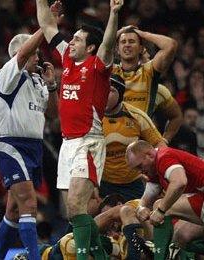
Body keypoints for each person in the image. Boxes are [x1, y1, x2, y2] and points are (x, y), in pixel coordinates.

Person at [36, 0, 122, 258]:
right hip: (67, 144)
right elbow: (46, 25)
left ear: (91, 47)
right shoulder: (67, 59)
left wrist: (114, 14)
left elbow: (108, 44)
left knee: (76, 205)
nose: (70, 42)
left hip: (89, 141)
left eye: (77, 40)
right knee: (73, 212)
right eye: (71, 39)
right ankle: (103, 255)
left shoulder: (97, 66)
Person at [0, 29, 58, 260]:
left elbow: (52, 114)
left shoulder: (37, 80)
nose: (38, 58)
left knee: (14, 210)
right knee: (29, 203)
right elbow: (22, 54)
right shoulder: (7, 75)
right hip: (12, 146)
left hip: (34, 148)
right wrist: (45, 25)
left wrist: (51, 86)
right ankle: (34, 257)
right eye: (34, 54)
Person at [125, 140, 204, 259]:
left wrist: (161, 211)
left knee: (160, 206)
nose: (140, 171)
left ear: (150, 155)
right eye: (136, 169)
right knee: (181, 236)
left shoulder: (164, 157)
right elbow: (145, 199)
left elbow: (180, 182)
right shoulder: (154, 170)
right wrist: (141, 208)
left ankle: (159, 257)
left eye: (140, 166)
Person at [101, 74, 167, 201]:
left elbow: (160, 145)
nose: (104, 94)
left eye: (110, 91)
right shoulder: (91, 117)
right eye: (101, 89)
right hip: (101, 183)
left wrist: (161, 174)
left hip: (133, 183)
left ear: (120, 94)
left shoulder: (136, 116)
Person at [112, 25, 182, 142]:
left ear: (140, 48)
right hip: (111, 140)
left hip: (139, 145)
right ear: (117, 50)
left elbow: (170, 45)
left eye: (132, 41)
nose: (127, 44)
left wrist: (143, 34)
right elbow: (98, 50)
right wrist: (120, 32)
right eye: (123, 42)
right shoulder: (110, 71)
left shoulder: (148, 73)